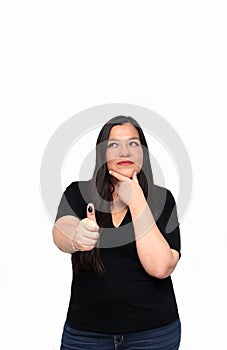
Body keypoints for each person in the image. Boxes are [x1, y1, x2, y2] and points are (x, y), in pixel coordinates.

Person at [53, 115, 181, 350]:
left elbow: (161, 267)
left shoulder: (163, 199)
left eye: (133, 143)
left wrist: (136, 201)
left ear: (143, 152)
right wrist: (76, 235)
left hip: (153, 334)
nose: (125, 152)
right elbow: (62, 230)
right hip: (85, 334)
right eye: (114, 144)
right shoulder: (78, 192)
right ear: (101, 153)